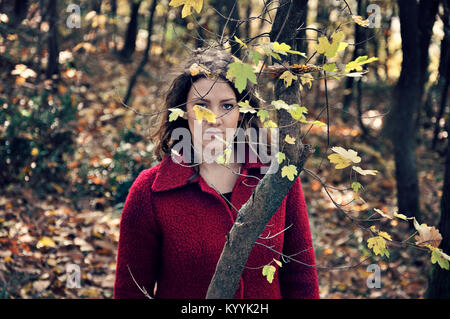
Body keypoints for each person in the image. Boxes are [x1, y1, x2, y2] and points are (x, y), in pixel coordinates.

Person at [113, 46, 319, 299]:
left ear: (242, 112)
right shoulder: (149, 192)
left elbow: (302, 280)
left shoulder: (275, 177)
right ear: (184, 110)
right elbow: (131, 293)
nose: (214, 118)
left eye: (227, 106)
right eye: (201, 105)